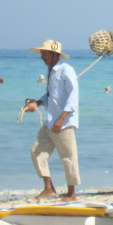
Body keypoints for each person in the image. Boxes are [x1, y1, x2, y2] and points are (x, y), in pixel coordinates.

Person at [22, 39, 80, 202]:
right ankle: (49, 188)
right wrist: (37, 103)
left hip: (64, 122)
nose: (42, 56)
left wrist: (61, 118)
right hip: (50, 121)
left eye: (45, 53)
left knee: (68, 157)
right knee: (37, 151)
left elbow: (73, 96)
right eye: (42, 53)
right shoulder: (50, 71)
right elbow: (50, 95)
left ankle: (71, 194)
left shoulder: (66, 70)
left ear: (54, 54)